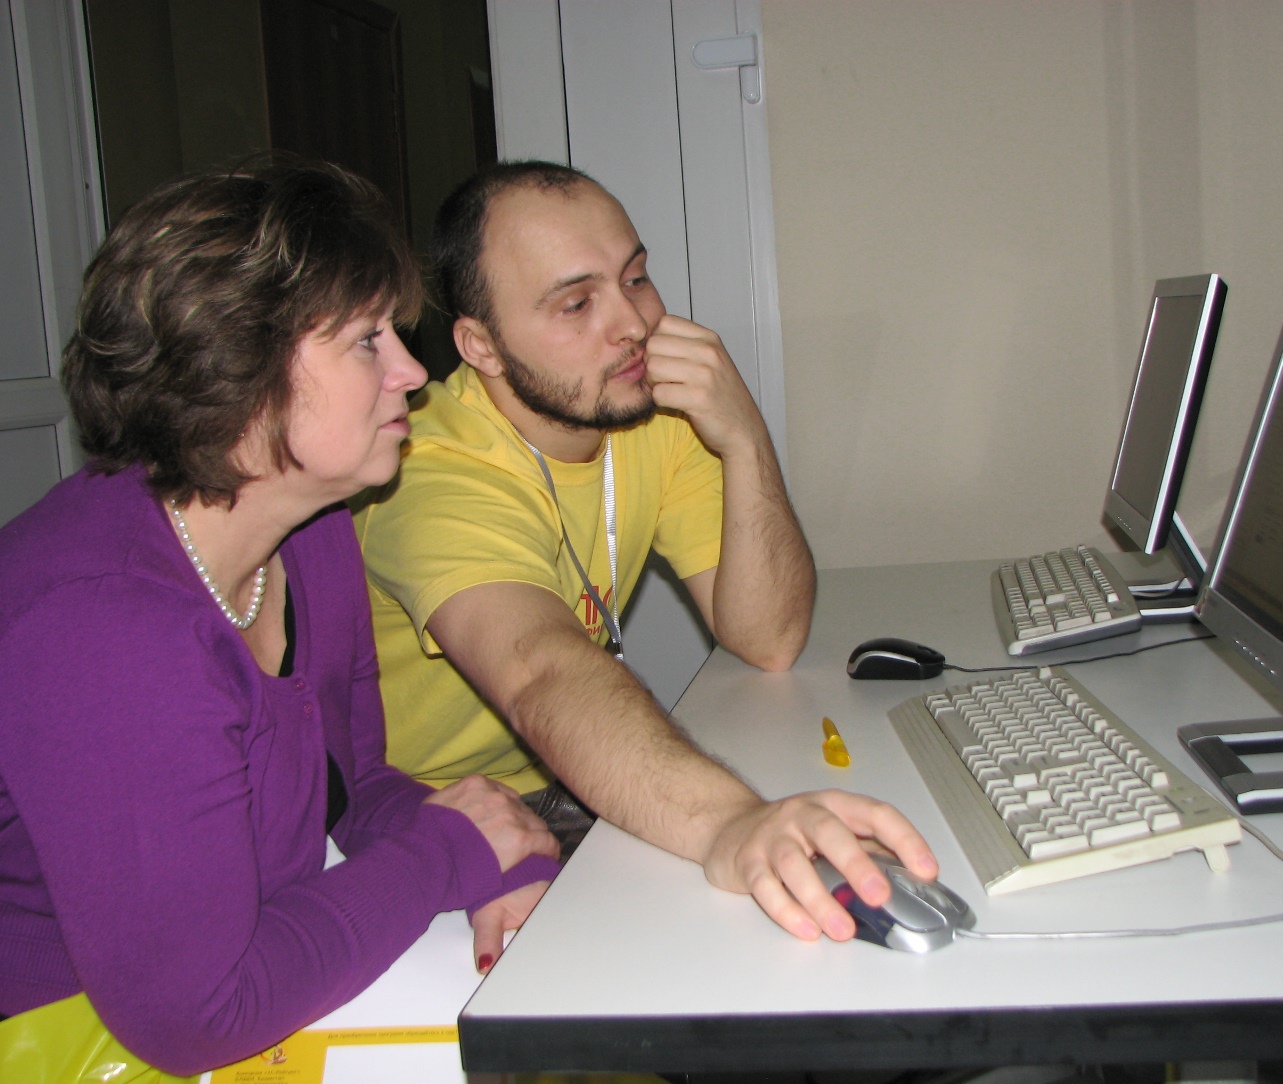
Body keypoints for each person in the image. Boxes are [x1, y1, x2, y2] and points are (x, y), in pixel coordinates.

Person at [0, 160, 560, 1078]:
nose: (414, 372)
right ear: (238, 372)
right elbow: (197, 1014)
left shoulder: (310, 535)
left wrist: (502, 855)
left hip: (223, 992)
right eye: (367, 340)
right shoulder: (107, 634)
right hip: (62, 1054)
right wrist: (444, 852)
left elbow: (356, 786)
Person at [355, 161, 938, 944]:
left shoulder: (642, 406)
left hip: (563, 778)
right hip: (422, 811)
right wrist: (733, 824)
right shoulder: (426, 470)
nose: (632, 323)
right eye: (576, 303)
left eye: (635, 278)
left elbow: (768, 636)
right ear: (481, 347)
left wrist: (744, 437)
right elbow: (539, 671)